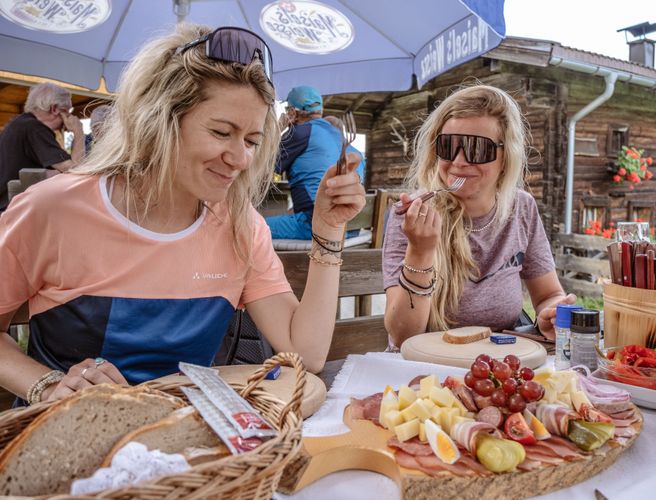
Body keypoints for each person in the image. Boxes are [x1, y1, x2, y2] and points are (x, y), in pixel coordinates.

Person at [0, 24, 365, 405]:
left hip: (189, 444)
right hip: (67, 440)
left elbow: (306, 353)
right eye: (222, 132)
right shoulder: (52, 209)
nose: (241, 159)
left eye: (252, 141)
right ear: (159, 121)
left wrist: (328, 229)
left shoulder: (241, 225)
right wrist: (46, 384)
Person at [382, 85, 575, 348]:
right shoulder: (412, 217)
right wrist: (420, 251)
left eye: (477, 148)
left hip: (499, 366)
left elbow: (549, 294)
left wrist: (551, 314)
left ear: (506, 157)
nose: (459, 161)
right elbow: (404, 335)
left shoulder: (521, 208)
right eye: (448, 146)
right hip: (426, 370)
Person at [267, 85, 365, 239]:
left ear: (292, 112)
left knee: (249, 228)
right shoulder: (344, 140)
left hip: (317, 225)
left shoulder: (299, 132)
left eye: (287, 110)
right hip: (352, 228)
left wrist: (277, 130)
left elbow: (263, 169)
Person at [0, 82, 84, 211]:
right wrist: (79, 132)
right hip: (12, 209)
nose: (70, 116)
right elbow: (75, 169)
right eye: (68, 110)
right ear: (55, 109)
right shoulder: (35, 129)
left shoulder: (21, 123)